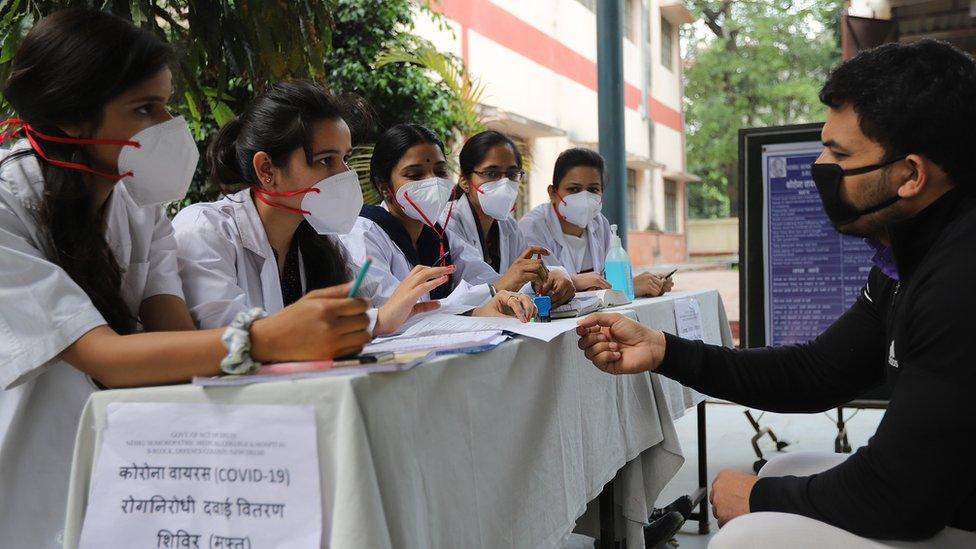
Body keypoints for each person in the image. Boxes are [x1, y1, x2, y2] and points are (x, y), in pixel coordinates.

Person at [576, 40, 976, 547]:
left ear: (912, 175)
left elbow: (900, 495)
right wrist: (664, 350)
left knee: (744, 536)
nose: (820, 165)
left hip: (944, 510)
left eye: (840, 153)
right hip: (944, 497)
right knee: (787, 466)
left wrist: (760, 497)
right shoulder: (908, 258)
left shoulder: (960, 279)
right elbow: (816, 372)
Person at [0, 10, 370, 547]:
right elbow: (100, 354)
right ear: (74, 118)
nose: (168, 127)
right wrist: (263, 338)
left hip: (131, 466)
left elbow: (171, 333)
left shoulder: (137, 201)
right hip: (33, 475)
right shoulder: (9, 206)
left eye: (167, 105)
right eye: (144, 109)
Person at [173, 81, 447, 335]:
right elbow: (233, 340)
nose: (344, 174)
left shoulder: (323, 242)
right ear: (267, 169)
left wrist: (379, 318)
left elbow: (368, 310)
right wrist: (375, 322)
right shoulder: (205, 230)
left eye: (345, 158)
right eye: (326, 160)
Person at [340, 123, 537, 322]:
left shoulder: (438, 236)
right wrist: (482, 300)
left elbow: (483, 278)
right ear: (384, 187)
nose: (432, 182)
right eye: (415, 175)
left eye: (440, 171)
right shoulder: (363, 234)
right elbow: (392, 312)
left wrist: (535, 283)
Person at [518, 147, 673, 297]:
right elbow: (543, 288)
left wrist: (648, 284)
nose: (584, 198)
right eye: (574, 189)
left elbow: (606, 280)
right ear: (552, 193)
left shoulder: (600, 224)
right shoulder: (532, 228)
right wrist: (629, 287)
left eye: (593, 190)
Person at [444, 129, 575, 306]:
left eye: (512, 174)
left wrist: (552, 276)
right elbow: (476, 286)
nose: (504, 183)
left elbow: (522, 280)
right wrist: (515, 280)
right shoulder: (447, 223)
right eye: (491, 173)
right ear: (465, 182)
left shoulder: (509, 227)